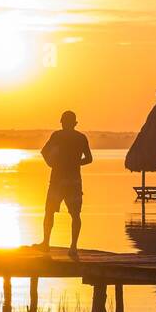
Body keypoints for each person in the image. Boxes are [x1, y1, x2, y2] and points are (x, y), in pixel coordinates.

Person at [36, 110, 92, 259]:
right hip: (73, 181)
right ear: (74, 123)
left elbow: (44, 152)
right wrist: (75, 163)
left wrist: (52, 164)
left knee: (49, 212)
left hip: (58, 180)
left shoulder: (58, 136)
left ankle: (46, 243)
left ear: (62, 122)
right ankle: (73, 247)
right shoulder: (80, 138)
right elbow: (89, 159)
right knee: (75, 215)